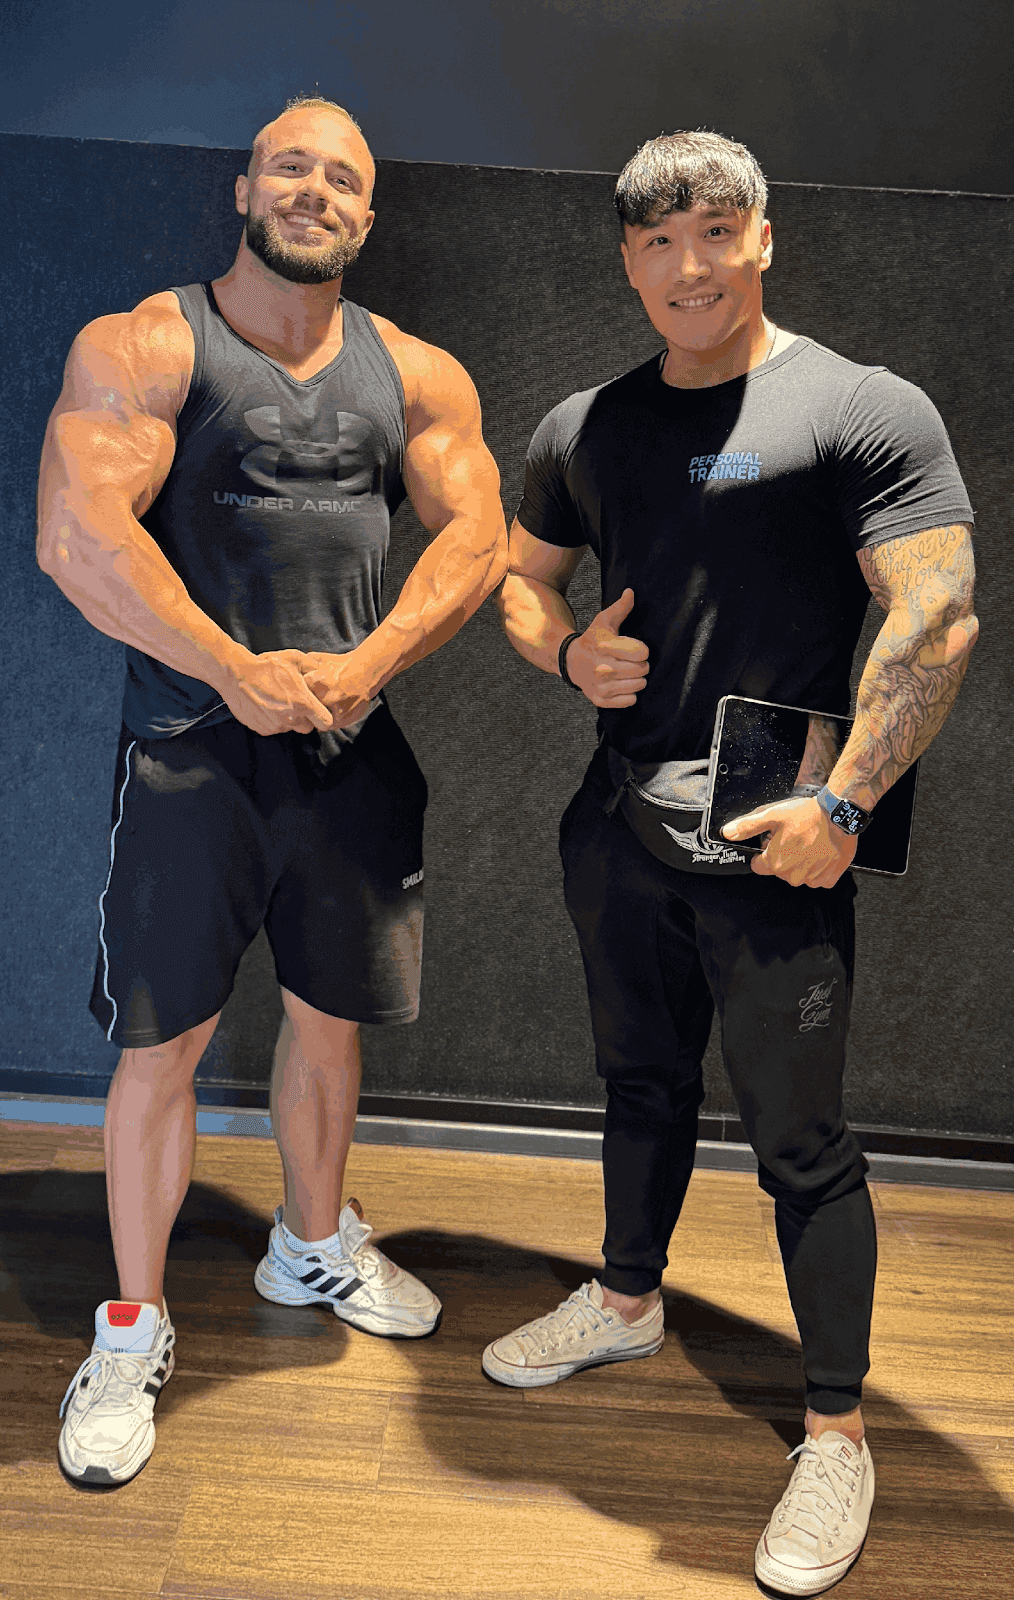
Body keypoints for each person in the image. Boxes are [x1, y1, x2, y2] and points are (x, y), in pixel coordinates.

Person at [487, 130, 977, 1596]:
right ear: (628, 263)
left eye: (713, 233)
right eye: (657, 242)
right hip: (619, 826)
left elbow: (937, 616)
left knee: (800, 1146)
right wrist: (566, 652)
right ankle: (628, 1300)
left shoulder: (861, 408)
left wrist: (846, 804)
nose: (687, 267)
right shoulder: (586, 426)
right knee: (637, 1085)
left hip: (776, 842)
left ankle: (835, 1433)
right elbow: (518, 581)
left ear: (762, 238)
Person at [37, 94, 506, 1488]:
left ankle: (309, 1247)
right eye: (290, 167)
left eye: (342, 178)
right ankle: (130, 1329)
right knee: (162, 1046)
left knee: (327, 1022)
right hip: (193, 750)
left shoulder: (418, 374)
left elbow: (475, 538)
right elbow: (77, 535)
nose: (315, 190)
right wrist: (230, 667)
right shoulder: (147, 345)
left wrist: (368, 664)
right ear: (244, 190)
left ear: (369, 213)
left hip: (348, 752)